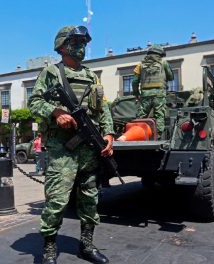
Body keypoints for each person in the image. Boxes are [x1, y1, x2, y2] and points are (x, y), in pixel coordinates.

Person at [28, 25, 114, 264]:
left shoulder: (91, 76)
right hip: (62, 149)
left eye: (83, 43)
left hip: (90, 148)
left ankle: (87, 244)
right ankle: (48, 247)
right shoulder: (51, 73)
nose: (81, 47)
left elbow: (103, 107)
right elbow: (33, 102)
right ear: (62, 46)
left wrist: (108, 134)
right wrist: (55, 113)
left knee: (90, 199)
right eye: (76, 43)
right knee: (56, 200)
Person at [132, 45, 174, 139]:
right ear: (160, 54)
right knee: (159, 116)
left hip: (145, 95)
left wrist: (136, 93)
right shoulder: (164, 63)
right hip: (159, 94)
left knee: (141, 116)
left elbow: (134, 81)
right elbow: (171, 77)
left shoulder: (140, 65)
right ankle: (157, 137)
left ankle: (138, 135)